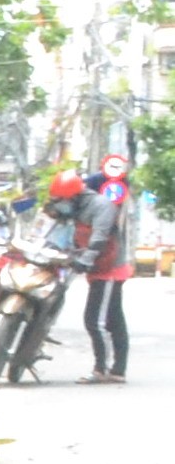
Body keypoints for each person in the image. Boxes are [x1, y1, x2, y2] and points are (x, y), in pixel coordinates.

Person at [76, 156, 134, 380]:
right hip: (103, 269)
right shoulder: (93, 200)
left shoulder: (102, 208)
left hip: (108, 270)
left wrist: (86, 258)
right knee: (113, 319)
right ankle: (117, 370)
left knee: (95, 320)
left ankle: (103, 369)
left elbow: (99, 237)